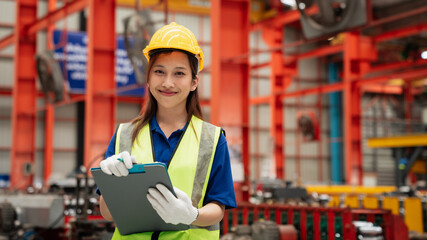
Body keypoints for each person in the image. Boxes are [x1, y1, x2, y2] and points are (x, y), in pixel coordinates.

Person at [97, 22, 236, 240]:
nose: (168, 82)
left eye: (179, 73)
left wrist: (191, 214)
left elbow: (218, 208)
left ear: (193, 82)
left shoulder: (212, 139)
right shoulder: (124, 135)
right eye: (159, 72)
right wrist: (111, 183)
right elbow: (106, 212)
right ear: (149, 78)